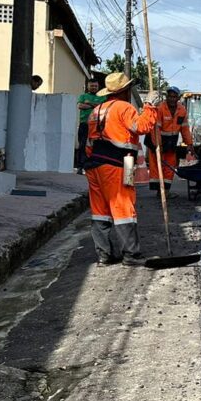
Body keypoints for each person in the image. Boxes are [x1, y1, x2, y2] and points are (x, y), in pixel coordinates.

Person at [84, 71, 160, 266]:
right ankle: (131, 255)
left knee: (100, 211)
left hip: (94, 165)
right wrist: (151, 106)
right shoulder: (124, 108)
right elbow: (141, 127)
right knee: (124, 207)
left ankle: (105, 254)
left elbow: (89, 143)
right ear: (124, 90)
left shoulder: (96, 111)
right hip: (120, 163)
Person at [147, 86, 193, 191]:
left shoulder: (182, 110)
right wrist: (158, 145)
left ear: (178, 98)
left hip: (171, 142)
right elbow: (156, 129)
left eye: (174, 97)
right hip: (156, 140)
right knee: (156, 166)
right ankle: (159, 191)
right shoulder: (160, 109)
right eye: (170, 96)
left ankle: (166, 191)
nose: (172, 99)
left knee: (169, 166)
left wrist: (189, 144)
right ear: (166, 97)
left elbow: (185, 128)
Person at [75, 78, 104, 172]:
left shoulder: (102, 97)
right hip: (84, 124)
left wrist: (89, 104)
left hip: (97, 125)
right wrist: (95, 105)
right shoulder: (83, 96)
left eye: (95, 86)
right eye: (92, 86)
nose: (94, 87)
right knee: (82, 145)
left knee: (96, 145)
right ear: (88, 86)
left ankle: (93, 166)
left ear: (98, 87)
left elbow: (102, 106)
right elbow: (80, 106)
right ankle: (80, 166)